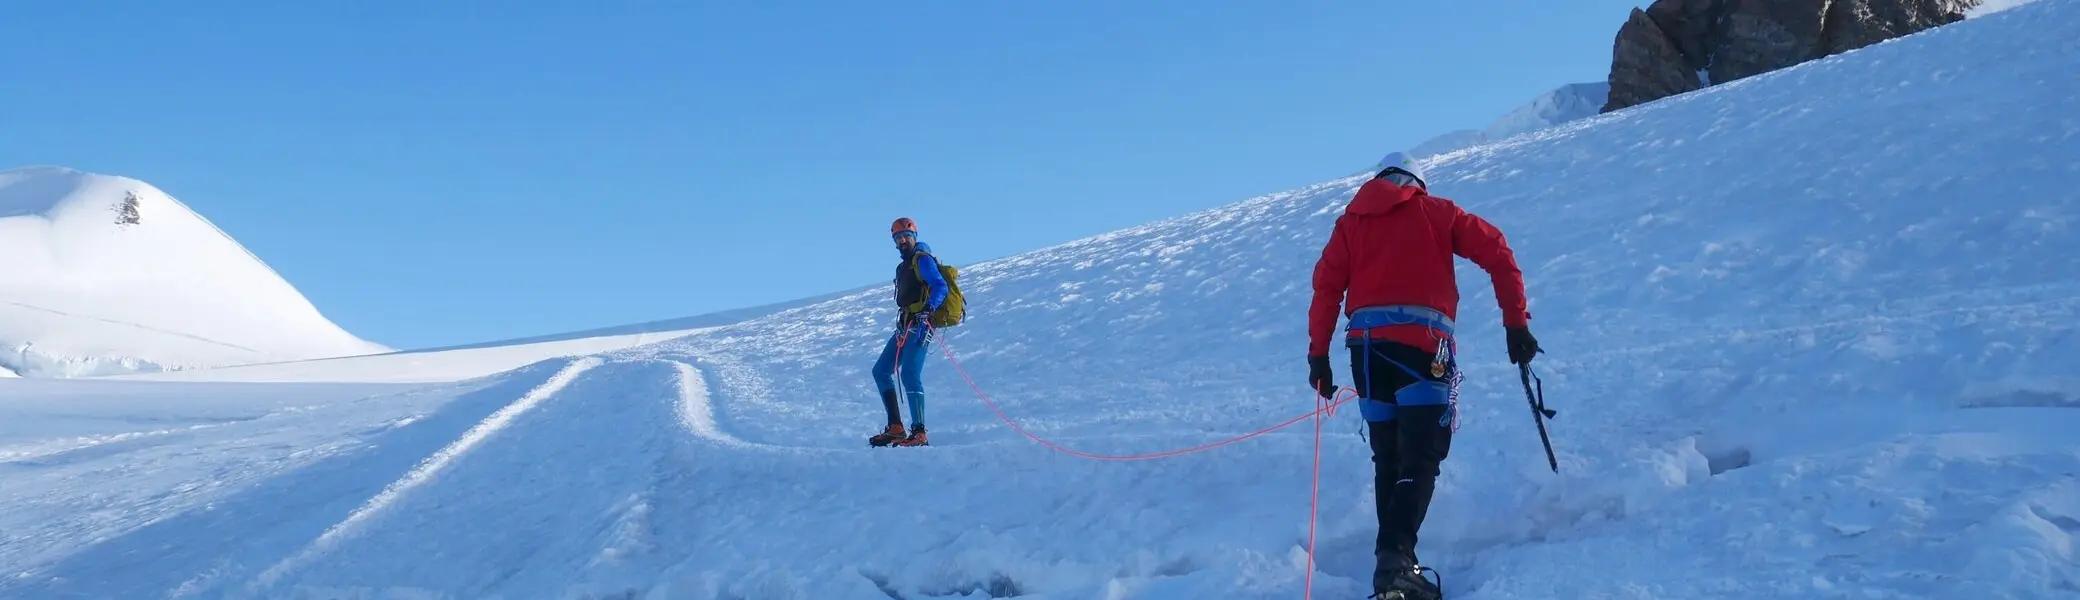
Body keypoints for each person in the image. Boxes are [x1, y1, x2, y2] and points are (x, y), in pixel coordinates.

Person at [1306, 151, 1541, 600]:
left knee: (1388, 459)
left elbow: (1326, 289)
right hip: (1423, 347)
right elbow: (1497, 251)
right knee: (1421, 456)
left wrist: (1319, 357)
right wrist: (1516, 322)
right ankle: (1396, 565)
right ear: (1416, 183)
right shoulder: (1437, 212)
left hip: (1366, 353)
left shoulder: (1350, 223)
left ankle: (1394, 566)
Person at [869, 217, 950, 448]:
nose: (902, 240)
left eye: (906, 236)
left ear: (914, 236)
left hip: (921, 324)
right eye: (898, 237)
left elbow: (940, 286)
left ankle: (919, 432)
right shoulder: (903, 266)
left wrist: (928, 309)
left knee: (909, 373)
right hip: (906, 325)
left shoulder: (922, 260)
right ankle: (896, 427)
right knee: (881, 371)